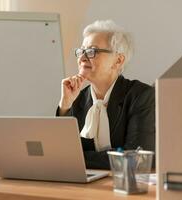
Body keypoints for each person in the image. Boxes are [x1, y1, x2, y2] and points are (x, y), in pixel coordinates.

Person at [56, 20, 155, 169]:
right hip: (84, 184)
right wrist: (65, 106)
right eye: (81, 51)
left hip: (125, 185)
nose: (82, 58)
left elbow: (134, 157)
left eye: (91, 51)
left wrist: (76, 158)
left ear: (118, 60)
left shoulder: (142, 96)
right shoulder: (77, 98)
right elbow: (58, 153)